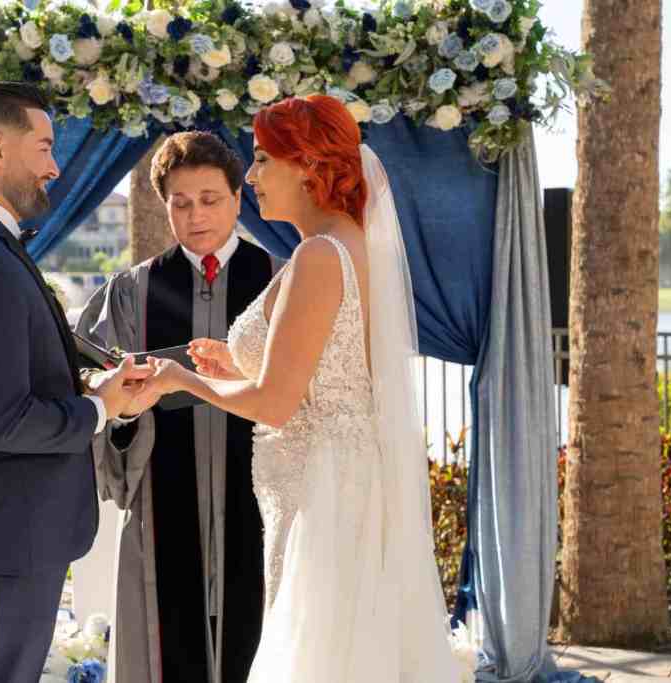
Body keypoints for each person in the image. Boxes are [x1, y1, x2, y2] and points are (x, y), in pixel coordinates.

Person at [142, 96, 474, 681]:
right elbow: (324, 377)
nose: (252, 177)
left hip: (323, 489)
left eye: (263, 159)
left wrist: (181, 378)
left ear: (308, 165)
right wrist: (233, 365)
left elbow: (276, 403)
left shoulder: (320, 255)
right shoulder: (346, 243)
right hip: (332, 477)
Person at [0, 81, 149, 683]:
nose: (55, 167)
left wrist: (87, 383)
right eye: (44, 147)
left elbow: (1, 379)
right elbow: (6, 423)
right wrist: (99, 409)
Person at [75, 131, 283, 683]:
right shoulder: (132, 292)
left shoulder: (280, 282)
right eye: (181, 202)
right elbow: (91, 387)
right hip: (163, 491)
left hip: (262, 493)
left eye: (210, 199)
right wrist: (124, 410)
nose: (196, 216)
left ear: (238, 198)